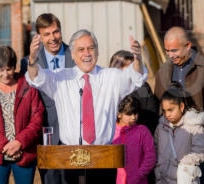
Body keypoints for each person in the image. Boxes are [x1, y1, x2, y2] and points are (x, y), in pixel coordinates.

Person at [26, 29, 146, 183]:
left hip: (103, 159)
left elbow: (135, 76)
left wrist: (137, 58)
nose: (86, 54)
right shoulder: (60, 77)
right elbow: (35, 77)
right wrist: (33, 58)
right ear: (73, 55)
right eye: (81, 50)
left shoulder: (111, 77)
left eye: (91, 48)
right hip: (70, 160)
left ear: (97, 51)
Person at [154, 26, 204, 184]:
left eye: (174, 50)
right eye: (167, 51)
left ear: (188, 45)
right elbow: (158, 106)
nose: (170, 55)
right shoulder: (163, 71)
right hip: (173, 149)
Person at [20, 13, 75, 184]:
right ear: (39, 36)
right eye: (47, 34)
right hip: (45, 135)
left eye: (56, 32)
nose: (53, 38)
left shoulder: (75, 56)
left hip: (73, 135)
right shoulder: (27, 62)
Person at [0, 46, 44, 184]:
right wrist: (5, 146)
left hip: (24, 152)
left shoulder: (28, 87)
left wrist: (19, 143)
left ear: (15, 67)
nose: (6, 74)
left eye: (9, 69)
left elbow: (37, 118)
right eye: (1, 70)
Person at [154, 84, 204, 184]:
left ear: (182, 106)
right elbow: (156, 148)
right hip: (162, 180)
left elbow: (200, 150)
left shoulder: (195, 127)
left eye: (171, 110)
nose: (167, 114)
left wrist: (185, 163)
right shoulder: (160, 128)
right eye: (164, 111)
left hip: (184, 180)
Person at [109, 50, 159, 134]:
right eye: (122, 68)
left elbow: (151, 114)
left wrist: (141, 134)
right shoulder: (107, 87)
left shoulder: (142, 88)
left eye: (131, 69)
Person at [112, 95, 156, 184]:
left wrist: (138, 176)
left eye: (135, 113)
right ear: (119, 114)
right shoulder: (110, 132)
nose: (133, 117)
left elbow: (150, 157)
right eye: (129, 114)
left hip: (139, 181)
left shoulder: (142, 131)